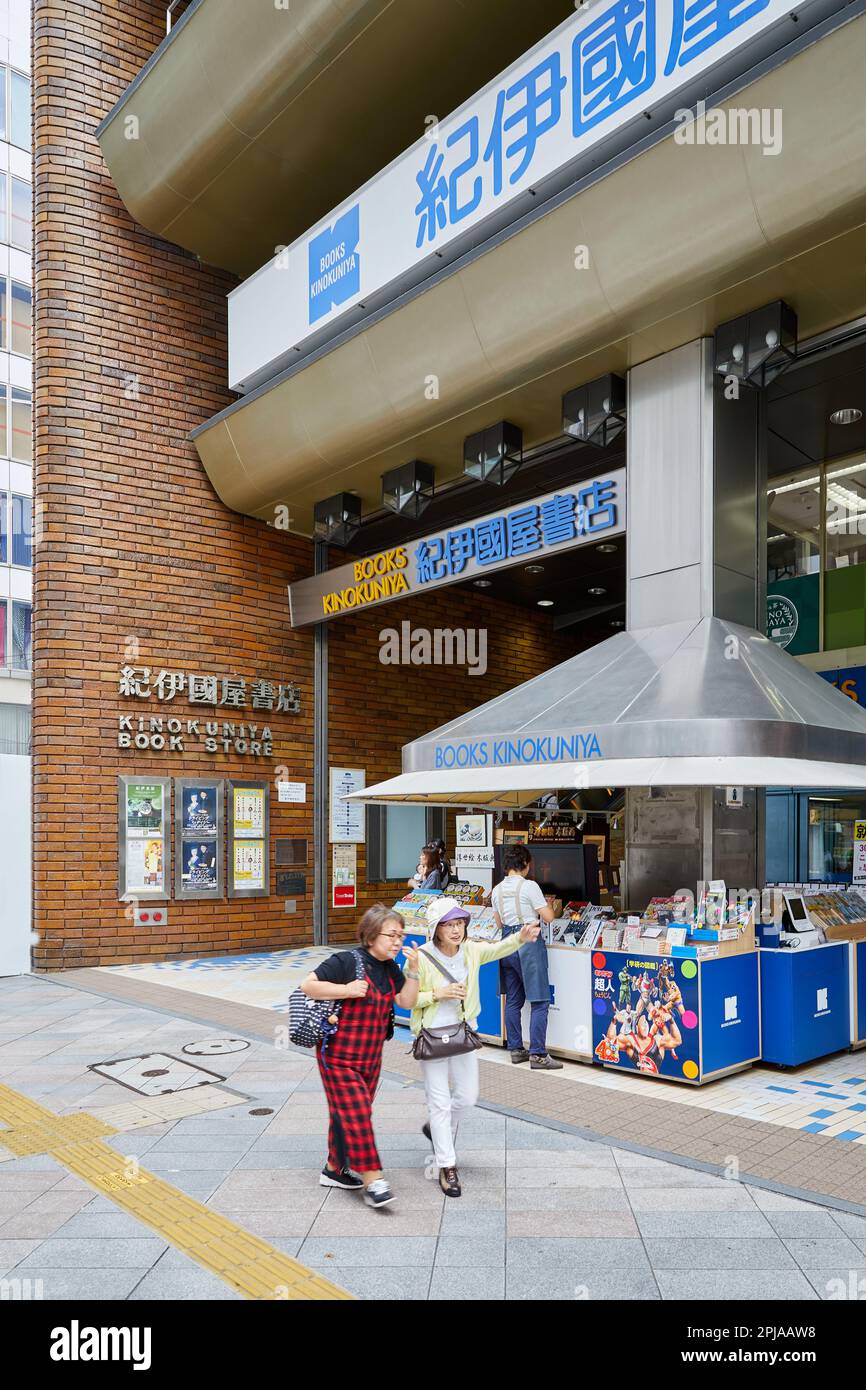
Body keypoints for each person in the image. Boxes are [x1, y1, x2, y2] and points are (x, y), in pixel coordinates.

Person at [412, 896, 540, 1198]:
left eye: (460, 924)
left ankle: (436, 1128)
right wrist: (437, 994)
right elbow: (407, 1000)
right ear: (436, 928)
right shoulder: (420, 956)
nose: (456, 930)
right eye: (449, 925)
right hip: (431, 1036)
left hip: (463, 1032)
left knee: (468, 1097)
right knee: (440, 1102)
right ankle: (447, 1166)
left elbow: (496, 950)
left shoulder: (469, 950)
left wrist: (520, 938)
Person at [300, 904, 420, 1209]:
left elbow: (406, 1000)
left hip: (370, 1057)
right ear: (370, 935)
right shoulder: (346, 961)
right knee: (359, 1115)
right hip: (337, 1055)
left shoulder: (391, 968)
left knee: (349, 1113)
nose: (398, 941)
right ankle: (373, 1179)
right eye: (392, 935)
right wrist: (347, 989)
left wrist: (414, 971)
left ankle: (334, 1170)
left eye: (401, 935)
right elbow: (308, 985)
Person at [492, 844, 562, 1070]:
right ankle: (538, 1054)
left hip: (507, 943)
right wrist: (553, 906)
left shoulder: (496, 890)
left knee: (513, 999)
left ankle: (516, 1049)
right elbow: (549, 917)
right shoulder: (530, 886)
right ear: (524, 864)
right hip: (528, 940)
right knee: (540, 1000)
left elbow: (499, 923)